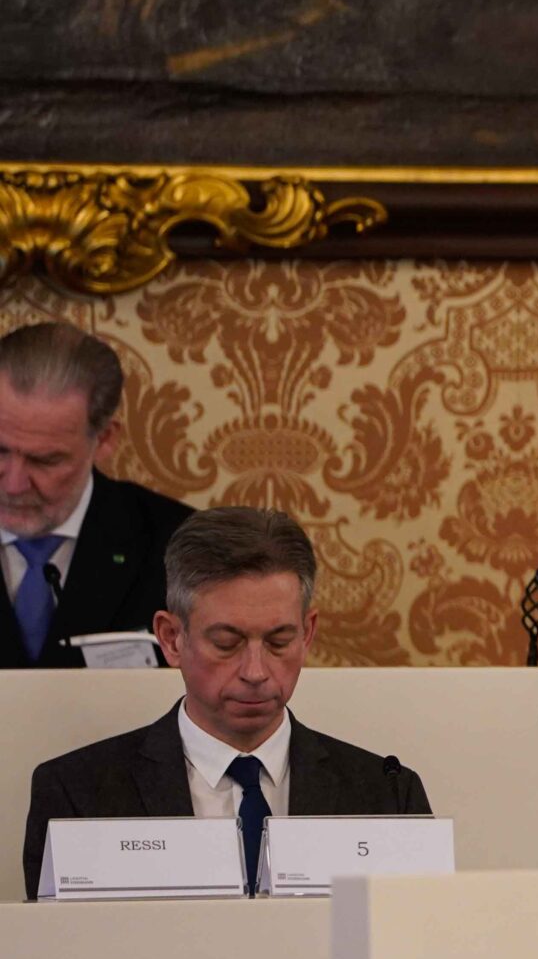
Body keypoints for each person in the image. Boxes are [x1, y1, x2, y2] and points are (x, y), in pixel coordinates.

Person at [21, 506, 430, 897]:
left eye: (279, 641)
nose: (255, 671)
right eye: (226, 643)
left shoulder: (389, 796)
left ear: (307, 634)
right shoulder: (77, 796)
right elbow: (64, 944)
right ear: (171, 638)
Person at [0, 322, 195, 668]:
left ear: (104, 439)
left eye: (45, 460)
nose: (14, 484)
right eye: (0, 451)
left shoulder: (181, 545)